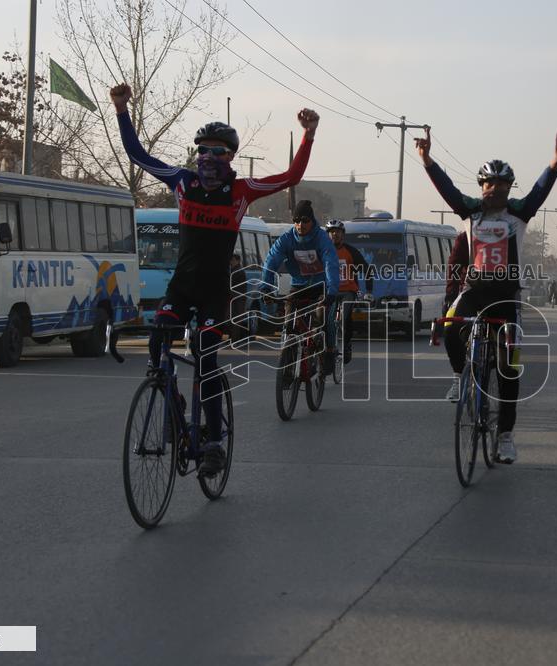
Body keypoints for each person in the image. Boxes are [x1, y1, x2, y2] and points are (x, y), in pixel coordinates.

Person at [111, 82, 319, 476]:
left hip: (215, 291)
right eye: (202, 150)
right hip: (182, 284)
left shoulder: (241, 191)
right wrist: (121, 109)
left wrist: (308, 135)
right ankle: (170, 398)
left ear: (231, 156)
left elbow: (291, 176)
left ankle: (214, 442)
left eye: (216, 152)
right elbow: (136, 154)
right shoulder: (182, 182)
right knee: (159, 343)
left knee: (206, 358)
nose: (207, 157)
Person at [416, 128, 557, 464]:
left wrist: (554, 165)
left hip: (505, 299)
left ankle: (505, 437)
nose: (494, 190)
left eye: (501, 185)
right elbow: (448, 190)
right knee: (450, 327)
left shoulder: (519, 214)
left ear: (508, 188)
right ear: (481, 187)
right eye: (488, 185)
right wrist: (427, 160)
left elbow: (539, 192)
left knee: (508, 368)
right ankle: (460, 375)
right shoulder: (470, 211)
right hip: (474, 292)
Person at [262, 200, 341, 375]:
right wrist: (265, 287)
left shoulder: (322, 239)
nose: (300, 225)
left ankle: (328, 352)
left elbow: (331, 264)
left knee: (325, 318)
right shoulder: (287, 239)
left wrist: (332, 291)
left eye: (305, 220)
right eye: (296, 220)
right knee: (289, 324)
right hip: (298, 286)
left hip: (323, 286)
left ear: (312, 221)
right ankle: (288, 368)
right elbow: (271, 261)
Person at [324, 219, 373, 364]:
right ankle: (328, 349)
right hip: (329, 292)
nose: (335, 235)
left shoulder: (351, 251)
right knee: (326, 321)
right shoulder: (323, 251)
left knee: (345, 318)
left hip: (348, 291)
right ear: (327, 235)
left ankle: (346, 345)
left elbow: (367, 270)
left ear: (343, 235)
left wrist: (369, 290)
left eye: (338, 232)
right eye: (332, 232)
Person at [229, 254, 248, 341]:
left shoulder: (238, 271)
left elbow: (235, 286)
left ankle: (235, 339)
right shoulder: (235, 270)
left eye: (233, 260)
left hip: (237, 299)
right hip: (236, 298)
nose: (231, 262)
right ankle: (233, 338)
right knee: (233, 319)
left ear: (238, 261)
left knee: (235, 320)